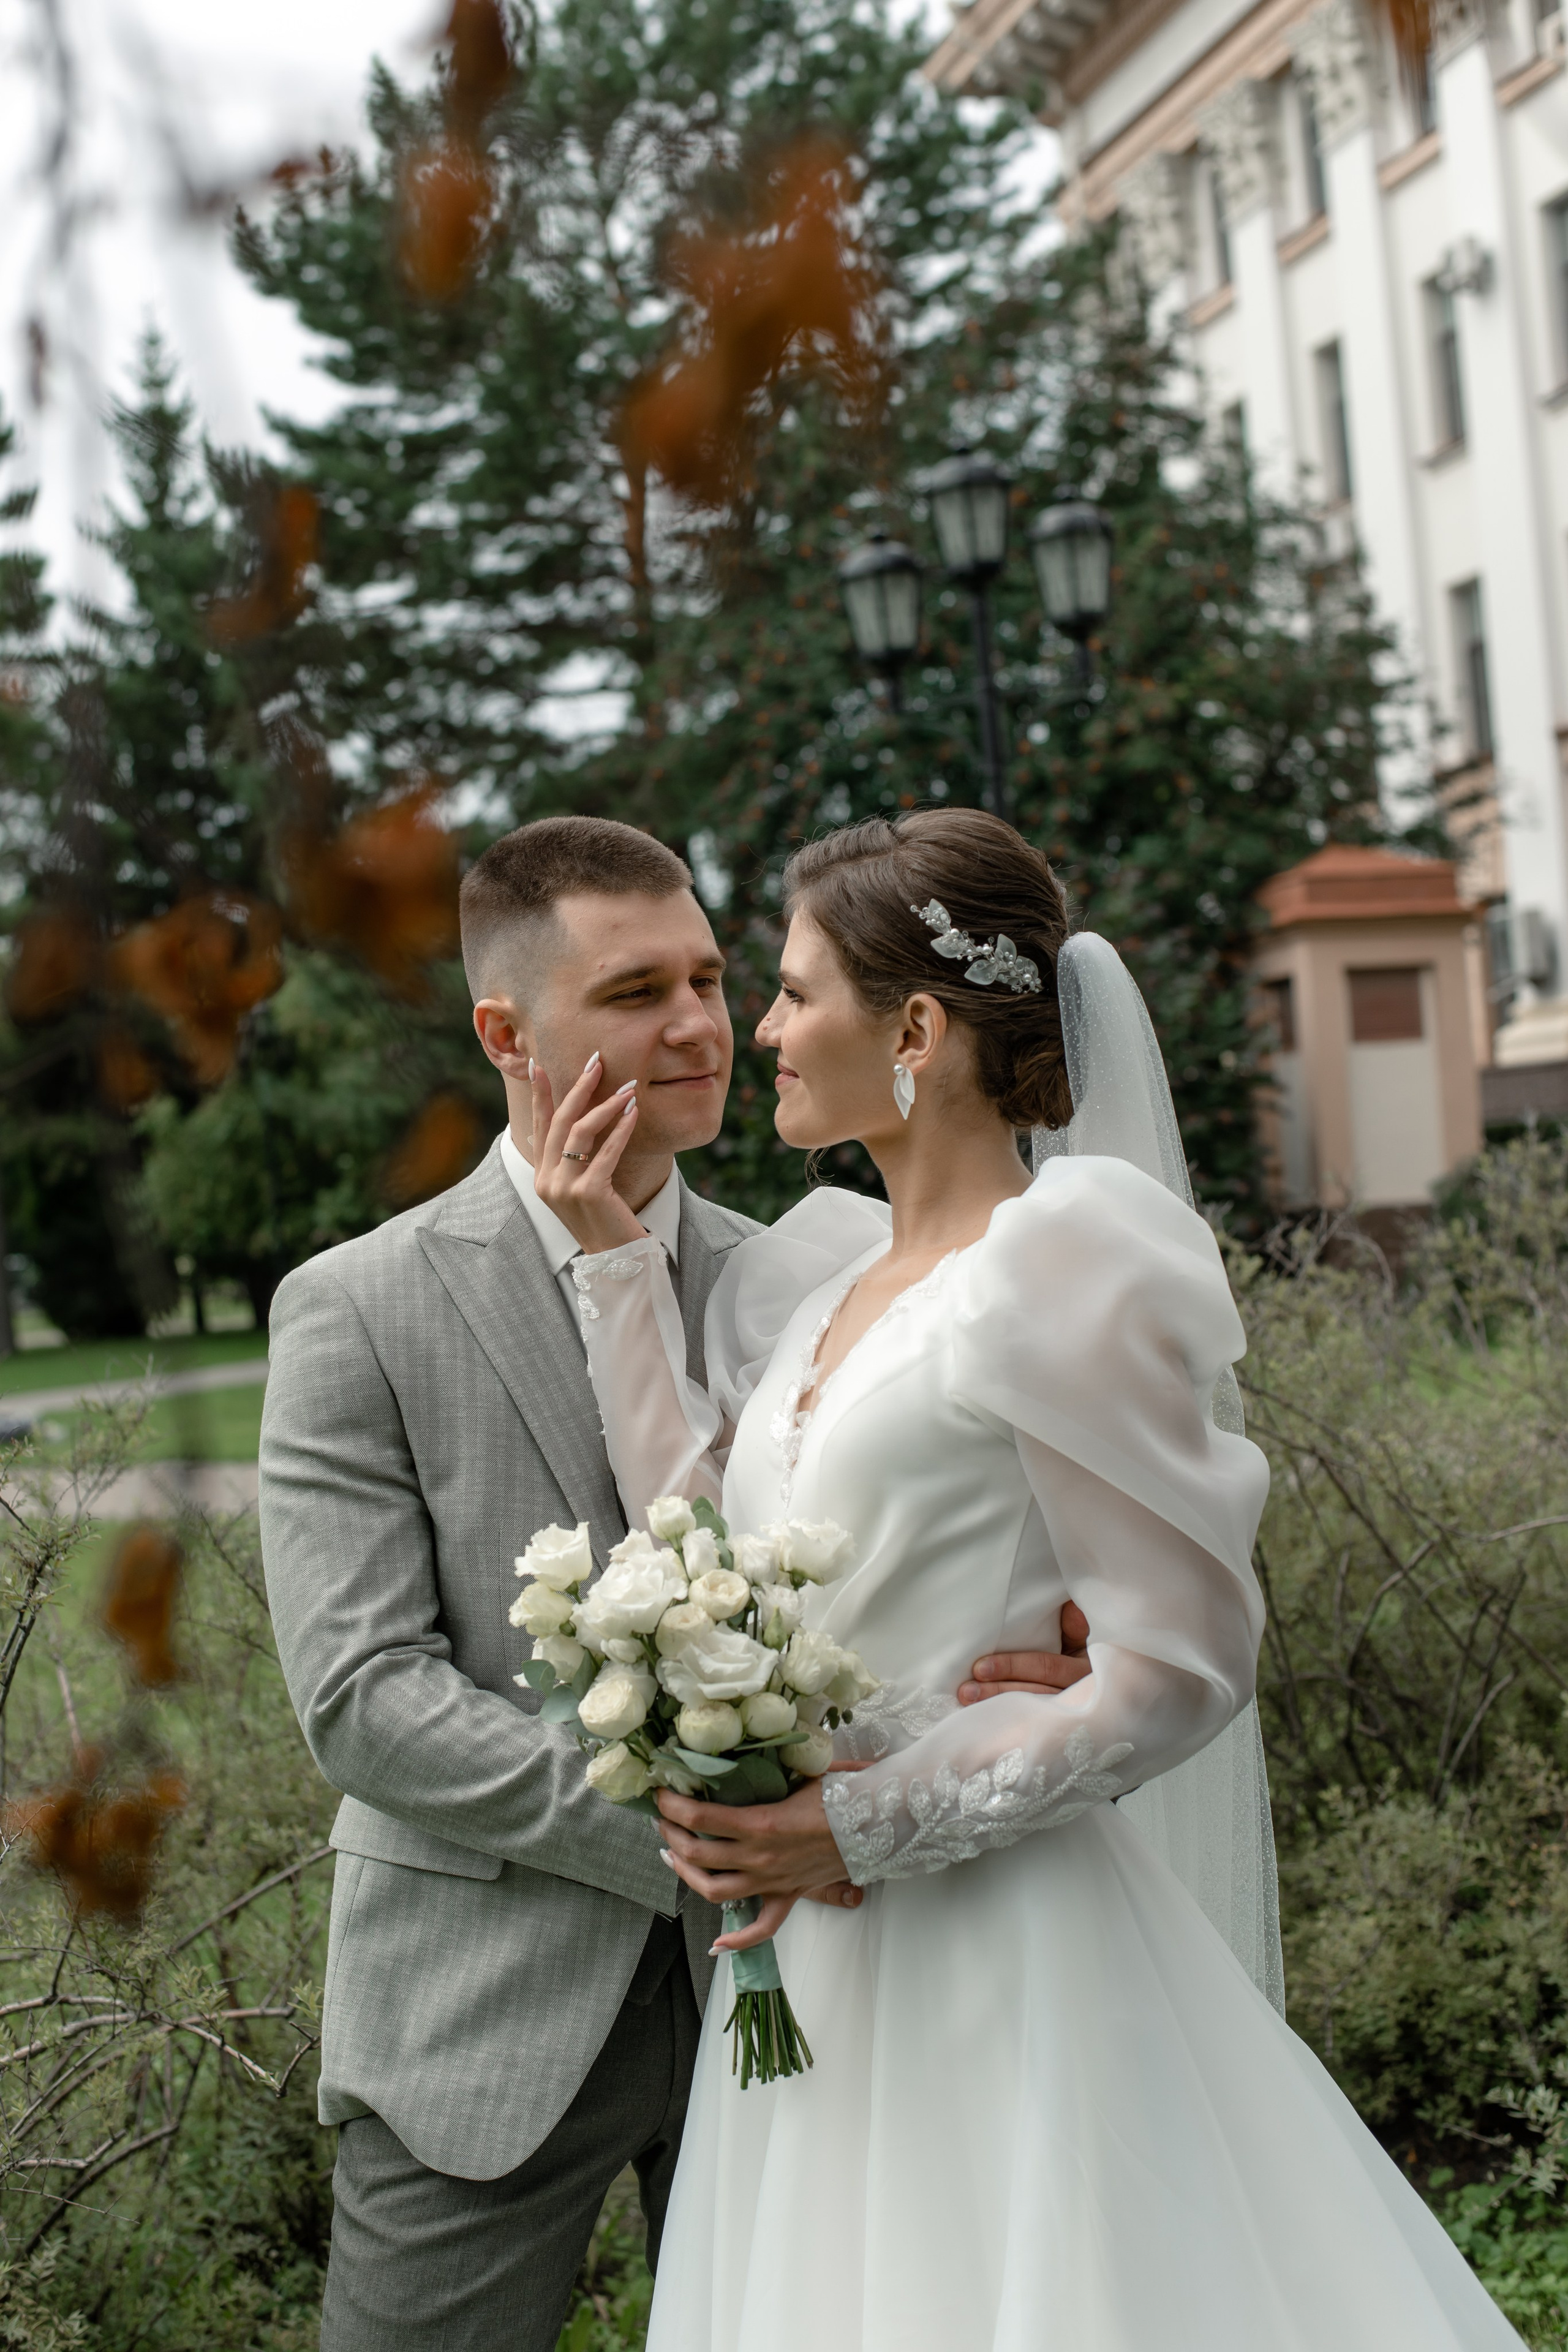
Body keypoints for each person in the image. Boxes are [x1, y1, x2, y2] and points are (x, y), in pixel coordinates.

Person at [537, 806, 1526, 2352]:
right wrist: (608, 1263)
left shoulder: (1055, 1265)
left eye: (794, 992)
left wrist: (853, 1821)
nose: (763, 1029)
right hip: (817, 1973)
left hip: (1001, 1957)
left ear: (915, 1027)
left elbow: (1181, 1660)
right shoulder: (813, 1284)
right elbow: (712, 1551)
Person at [258, 813, 1085, 2351]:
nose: (702, 1025)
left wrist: (1051, 1652)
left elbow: (951, 1548)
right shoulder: (356, 1309)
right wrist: (718, 1838)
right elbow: (364, 1702)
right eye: (638, 993)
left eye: (713, 977)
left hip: (827, 2019)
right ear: (507, 1033)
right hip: (481, 2022)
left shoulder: (810, 1277)